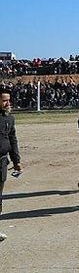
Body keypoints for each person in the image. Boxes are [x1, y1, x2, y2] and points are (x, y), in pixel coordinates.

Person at [0, 90, 22, 219]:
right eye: (4, 101)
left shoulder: (9, 118)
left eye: (8, 100)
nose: (8, 103)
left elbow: (12, 139)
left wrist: (16, 161)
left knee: (1, 184)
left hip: (2, 159)